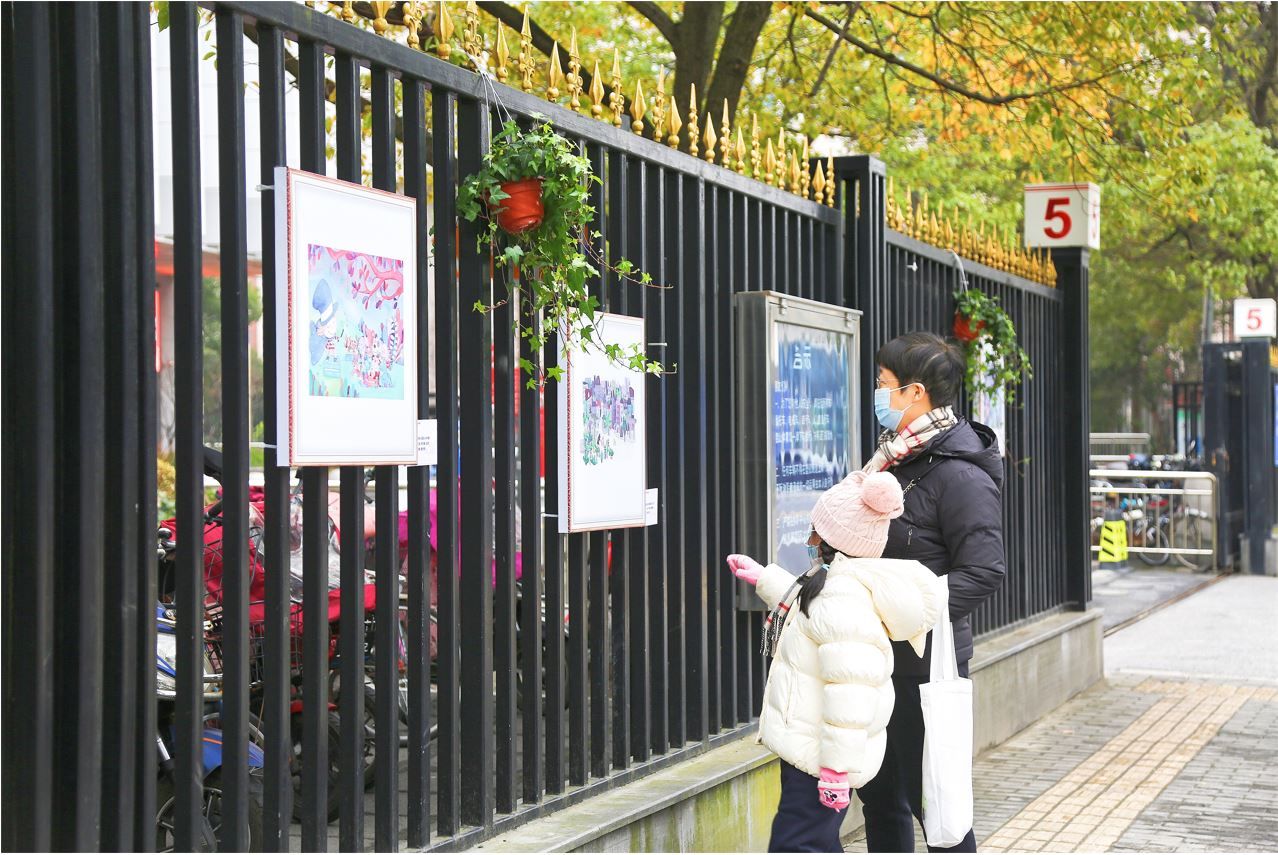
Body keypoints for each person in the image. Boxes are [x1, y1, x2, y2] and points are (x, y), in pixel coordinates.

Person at [727, 471, 942, 853]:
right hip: (815, 750)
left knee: (798, 845)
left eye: (815, 532)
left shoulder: (842, 599)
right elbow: (811, 616)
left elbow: (851, 692)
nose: (810, 540)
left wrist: (834, 772)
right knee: (813, 842)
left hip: (821, 758)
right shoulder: (839, 584)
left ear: (835, 543)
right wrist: (765, 577)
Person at [854, 331, 1006, 853]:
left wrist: (909, 611)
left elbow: (984, 571)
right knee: (880, 798)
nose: (876, 395)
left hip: (926, 665)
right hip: (875, 661)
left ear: (914, 393)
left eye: (883, 385)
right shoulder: (895, 459)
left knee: (935, 805)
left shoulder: (961, 475)